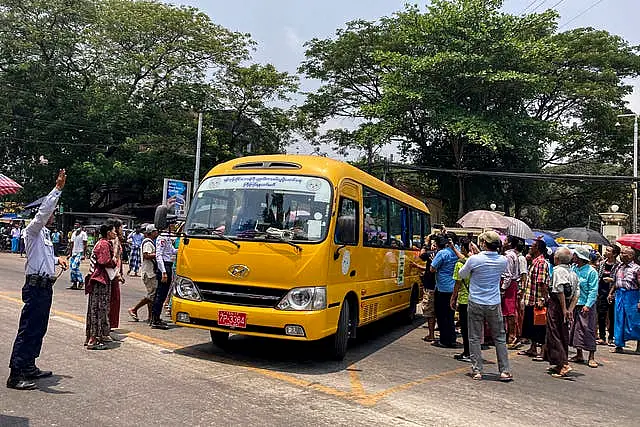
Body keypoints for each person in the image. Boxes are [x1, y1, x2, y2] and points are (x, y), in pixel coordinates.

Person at [7, 170, 68, 390]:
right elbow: (42, 214)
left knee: (39, 328)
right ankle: (16, 374)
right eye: (50, 212)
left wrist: (56, 259)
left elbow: (43, 258)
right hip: (34, 287)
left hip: (44, 287)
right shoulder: (31, 230)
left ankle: (29, 365)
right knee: (28, 329)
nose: (52, 216)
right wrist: (57, 190)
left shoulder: (45, 236)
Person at [458, 231, 511, 381]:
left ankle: (477, 370)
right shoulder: (502, 260)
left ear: (483, 244)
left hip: (475, 301)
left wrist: (473, 256)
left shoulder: (474, 259)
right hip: (493, 302)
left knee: (474, 337)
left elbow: (462, 274)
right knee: (499, 337)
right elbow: (490, 260)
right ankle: (505, 371)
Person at [545, 248, 579, 378]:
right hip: (568, 305)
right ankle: (559, 363)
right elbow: (576, 293)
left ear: (557, 259)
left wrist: (564, 308)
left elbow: (560, 291)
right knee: (562, 333)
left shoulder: (558, 271)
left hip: (557, 305)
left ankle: (564, 364)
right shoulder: (573, 273)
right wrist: (570, 309)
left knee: (554, 333)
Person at [85, 223, 117, 350]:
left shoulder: (101, 243)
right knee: (98, 309)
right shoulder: (104, 244)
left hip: (99, 279)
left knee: (97, 308)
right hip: (100, 280)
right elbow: (104, 261)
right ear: (108, 232)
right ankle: (94, 339)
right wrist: (114, 262)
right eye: (114, 231)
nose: (115, 233)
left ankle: (96, 336)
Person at [569, 246, 599, 368]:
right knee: (576, 329)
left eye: (575, 255)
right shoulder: (573, 268)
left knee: (588, 329)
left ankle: (591, 356)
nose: (573, 257)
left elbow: (593, 290)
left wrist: (588, 305)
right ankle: (579, 354)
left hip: (586, 305)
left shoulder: (591, 272)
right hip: (575, 303)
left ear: (580, 257)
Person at [519, 239, 549, 360]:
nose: (530, 248)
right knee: (530, 324)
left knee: (540, 326)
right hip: (530, 298)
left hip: (537, 300)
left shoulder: (541, 263)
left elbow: (542, 283)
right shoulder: (534, 261)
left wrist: (542, 298)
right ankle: (532, 348)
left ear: (537, 248)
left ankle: (542, 352)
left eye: (533, 246)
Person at [608, 246, 640, 353]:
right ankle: (619, 345)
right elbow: (616, 281)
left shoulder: (637, 268)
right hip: (620, 295)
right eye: (621, 253)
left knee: (634, 321)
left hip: (632, 296)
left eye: (623, 253)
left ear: (631, 256)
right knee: (619, 320)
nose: (620, 255)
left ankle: (639, 345)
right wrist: (611, 293)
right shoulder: (619, 267)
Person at [430, 233, 459, 348]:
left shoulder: (442, 253)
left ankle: (444, 340)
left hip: (442, 288)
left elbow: (432, 269)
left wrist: (434, 260)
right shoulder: (457, 251)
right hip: (453, 287)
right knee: (450, 315)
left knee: (442, 315)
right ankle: (452, 338)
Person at [128, 225, 159, 323]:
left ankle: (150, 316)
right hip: (149, 272)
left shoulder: (150, 242)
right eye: (155, 231)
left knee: (152, 295)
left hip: (150, 272)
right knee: (152, 295)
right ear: (151, 232)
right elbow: (146, 255)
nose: (157, 233)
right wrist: (158, 254)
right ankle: (134, 309)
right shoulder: (148, 243)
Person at [152, 225, 177, 329]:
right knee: (161, 294)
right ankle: (155, 319)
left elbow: (172, 251)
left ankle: (156, 318)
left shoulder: (167, 237)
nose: (175, 226)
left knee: (163, 294)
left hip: (168, 265)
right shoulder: (162, 237)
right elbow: (159, 255)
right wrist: (163, 272)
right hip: (164, 267)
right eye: (173, 224)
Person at [413, 236, 437, 342]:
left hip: (431, 287)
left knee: (429, 311)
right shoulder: (448, 254)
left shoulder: (432, 254)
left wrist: (425, 243)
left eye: (434, 244)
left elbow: (421, 255)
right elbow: (429, 268)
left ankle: (431, 334)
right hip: (441, 287)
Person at [451, 237, 471, 362]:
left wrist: (453, 298)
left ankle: (467, 353)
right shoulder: (475, 262)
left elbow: (457, 284)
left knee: (465, 328)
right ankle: (471, 352)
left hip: (464, 299)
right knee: (473, 328)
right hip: (474, 298)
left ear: (462, 248)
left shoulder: (459, 264)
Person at [597, 245, 620, 345]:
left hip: (613, 293)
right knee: (601, 315)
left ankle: (611, 337)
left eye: (608, 251)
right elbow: (598, 276)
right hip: (601, 292)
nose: (606, 252)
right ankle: (602, 336)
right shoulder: (602, 264)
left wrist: (612, 280)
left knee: (612, 315)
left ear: (614, 254)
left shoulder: (619, 265)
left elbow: (619, 280)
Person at [501, 236, 521, 347]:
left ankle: (512, 336)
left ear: (509, 243)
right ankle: (510, 335)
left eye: (505, 240)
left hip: (509, 284)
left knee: (509, 312)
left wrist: (503, 288)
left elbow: (508, 275)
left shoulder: (508, 256)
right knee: (508, 311)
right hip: (511, 284)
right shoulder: (512, 255)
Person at [108, 219, 125, 331]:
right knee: (113, 299)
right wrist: (118, 273)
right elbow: (115, 258)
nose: (122, 230)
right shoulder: (116, 240)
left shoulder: (115, 240)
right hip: (113, 273)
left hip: (114, 272)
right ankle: (109, 323)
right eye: (121, 227)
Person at [67, 223, 87, 290]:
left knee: (74, 266)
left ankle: (81, 281)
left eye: (77, 224)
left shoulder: (83, 234)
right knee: (72, 268)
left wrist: (84, 254)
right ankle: (75, 283)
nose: (75, 226)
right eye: (75, 224)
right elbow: (71, 244)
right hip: (73, 253)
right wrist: (70, 254)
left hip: (80, 253)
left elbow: (85, 244)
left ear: (80, 226)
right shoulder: (73, 233)